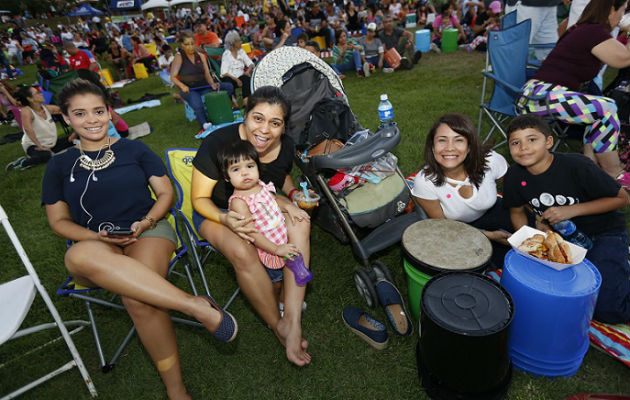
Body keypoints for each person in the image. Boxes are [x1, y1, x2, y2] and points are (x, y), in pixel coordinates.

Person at [41, 79, 238, 400]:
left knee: (139, 298)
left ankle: (176, 391)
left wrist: (146, 221)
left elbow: (165, 193)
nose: (91, 120)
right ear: (66, 118)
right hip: (95, 244)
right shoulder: (59, 165)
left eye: (98, 111)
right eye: (80, 113)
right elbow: (58, 222)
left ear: (109, 112)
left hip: (147, 231)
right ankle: (194, 306)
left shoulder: (133, 149)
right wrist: (95, 236)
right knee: (76, 257)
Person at [191, 86, 312, 366]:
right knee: (242, 248)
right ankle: (277, 324)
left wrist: (293, 198)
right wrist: (224, 218)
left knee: (300, 223)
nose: (265, 130)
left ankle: (292, 319)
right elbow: (198, 198)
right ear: (244, 116)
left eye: (275, 122)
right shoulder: (218, 142)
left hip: (264, 202)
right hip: (216, 211)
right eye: (258, 118)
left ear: (284, 126)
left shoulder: (286, 146)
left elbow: (279, 179)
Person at [503, 114, 630, 324]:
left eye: (532, 139)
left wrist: (572, 210)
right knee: (553, 294)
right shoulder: (514, 177)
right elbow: (516, 211)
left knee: (609, 309)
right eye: (516, 143)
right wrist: (530, 239)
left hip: (603, 233)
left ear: (549, 142)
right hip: (562, 238)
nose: (523, 147)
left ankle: (619, 258)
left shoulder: (577, 166)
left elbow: (622, 198)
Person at [515, 0, 630, 188]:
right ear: (611, 9)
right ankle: (613, 171)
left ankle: (590, 169)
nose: (621, 17)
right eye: (622, 11)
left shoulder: (587, 30)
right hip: (539, 96)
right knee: (606, 107)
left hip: (545, 96)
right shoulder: (593, 32)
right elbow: (624, 58)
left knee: (597, 112)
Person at [411, 113, 515, 267]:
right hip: (456, 230)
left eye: (458, 140)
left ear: (469, 147)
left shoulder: (490, 160)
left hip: (493, 212)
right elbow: (444, 227)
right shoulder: (425, 182)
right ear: (432, 147)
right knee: (475, 265)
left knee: (531, 244)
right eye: (442, 140)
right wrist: (489, 236)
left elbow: (515, 188)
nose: (450, 148)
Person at [221, 140, 303, 292]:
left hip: (280, 238)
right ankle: (278, 302)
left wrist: (289, 207)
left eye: (250, 166)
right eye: (236, 169)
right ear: (227, 177)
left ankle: (286, 296)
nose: (245, 173)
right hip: (268, 249)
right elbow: (253, 234)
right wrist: (276, 249)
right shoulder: (239, 202)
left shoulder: (259, 184)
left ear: (258, 167)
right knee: (276, 281)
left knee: (288, 274)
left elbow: (274, 200)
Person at [170, 30, 235, 131]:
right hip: (189, 89)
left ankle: (219, 110)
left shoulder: (200, 55)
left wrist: (212, 84)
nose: (190, 47)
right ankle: (204, 124)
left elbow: (207, 74)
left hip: (204, 86)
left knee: (229, 87)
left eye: (192, 43)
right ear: (182, 45)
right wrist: (183, 86)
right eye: (187, 44)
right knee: (197, 103)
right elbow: (173, 77)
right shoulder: (179, 57)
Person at [6, 85, 75, 171]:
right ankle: (22, 162)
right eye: (37, 93)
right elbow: (28, 129)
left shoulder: (46, 108)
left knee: (75, 138)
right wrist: (40, 146)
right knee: (47, 156)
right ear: (30, 99)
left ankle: (41, 156)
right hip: (34, 145)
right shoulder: (27, 111)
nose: (41, 94)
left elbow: (67, 111)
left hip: (51, 144)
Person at [221, 30, 254, 107]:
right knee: (227, 81)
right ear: (233, 43)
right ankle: (234, 101)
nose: (241, 42)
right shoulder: (226, 54)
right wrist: (236, 80)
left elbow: (250, 63)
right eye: (239, 41)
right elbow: (224, 72)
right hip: (230, 77)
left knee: (246, 78)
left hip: (240, 75)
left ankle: (246, 101)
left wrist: (248, 71)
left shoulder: (241, 51)